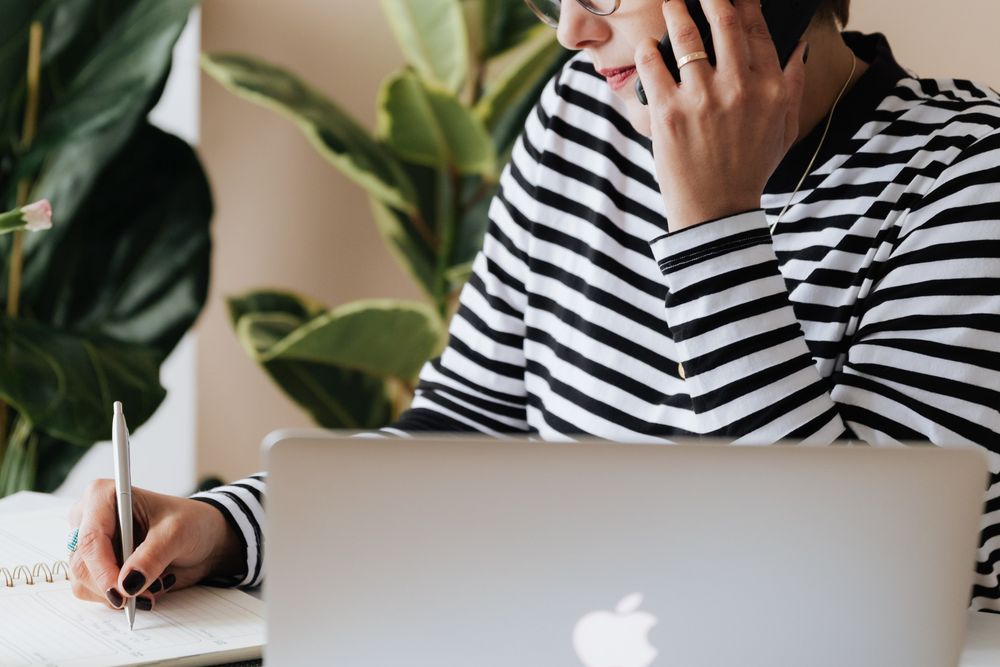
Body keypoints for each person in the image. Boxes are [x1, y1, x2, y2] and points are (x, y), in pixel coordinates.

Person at [69, 0, 1000, 613]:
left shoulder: (966, 180)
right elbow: (469, 431)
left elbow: (863, 594)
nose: (571, 31)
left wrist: (713, 224)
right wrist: (230, 527)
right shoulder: (580, 120)